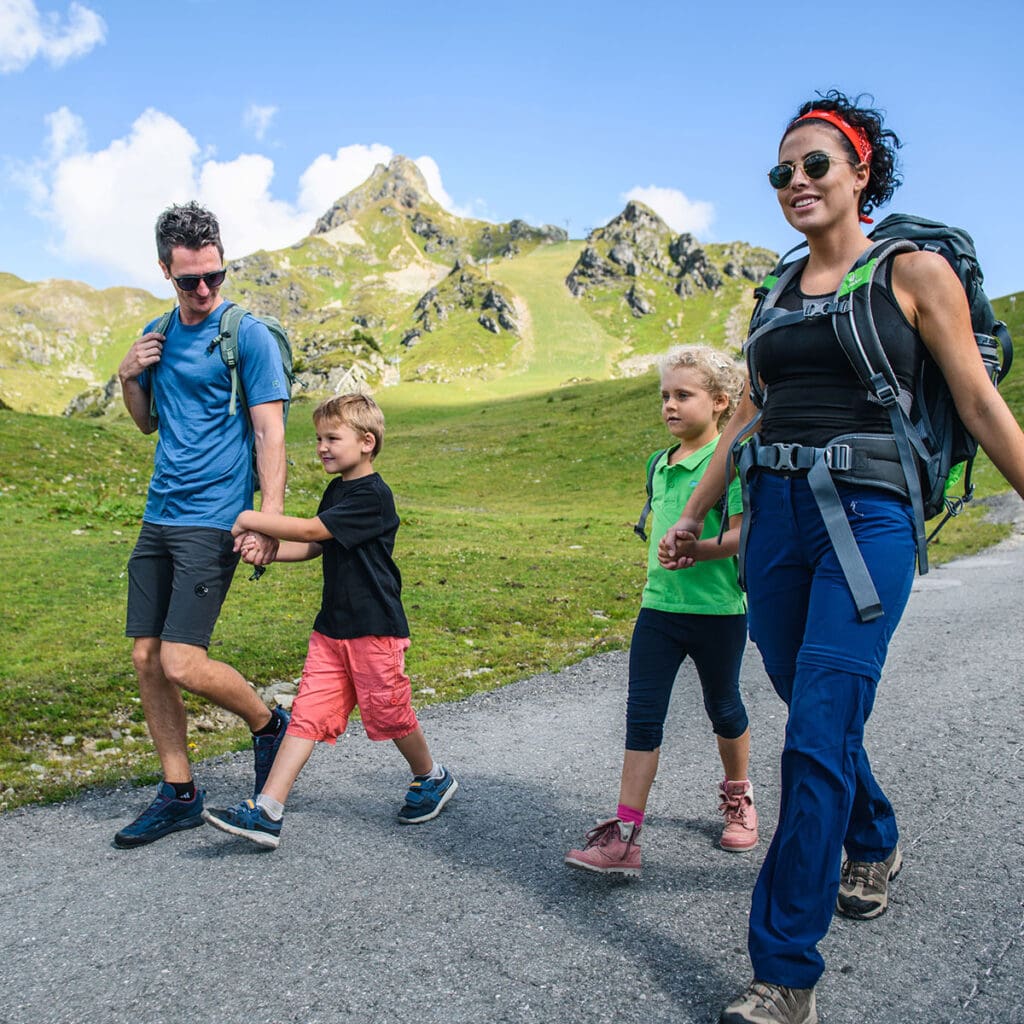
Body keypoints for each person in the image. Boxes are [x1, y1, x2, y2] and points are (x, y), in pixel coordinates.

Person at [659, 91, 1024, 1024]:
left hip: (868, 521)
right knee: (802, 692)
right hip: (776, 521)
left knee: (814, 733)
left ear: (862, 172)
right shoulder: (776, 292)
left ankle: (784, 974)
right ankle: (874, 833)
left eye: (816, 164)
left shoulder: (914, 270)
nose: (796, 183)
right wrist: (697, 517)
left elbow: (978, 406)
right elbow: (748, 417)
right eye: (782, 171)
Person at [202, 394, 457, 849]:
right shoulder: (338, 490)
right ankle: (267, 811)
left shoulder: (374, 496)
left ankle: (432, 777)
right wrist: (272, 552)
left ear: (366, 442)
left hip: (375, 629)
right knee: (306, 715)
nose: (321, 446)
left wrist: (247, 517)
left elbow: (314, 530)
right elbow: (319, 546)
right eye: (318, 438)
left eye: (331, 438)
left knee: (390, 714)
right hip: (332, 629)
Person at [113, 201, 291, 849]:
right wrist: (127, 376)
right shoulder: (157, 334)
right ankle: (180, 793)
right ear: (166, 270)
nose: (206, 289)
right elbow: (146, 423)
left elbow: (271, 431)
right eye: (190, 279)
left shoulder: (247, 336)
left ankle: (271, 725)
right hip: (159, 515)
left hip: (214, 520)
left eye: (215, 274)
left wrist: (267, 519)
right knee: (145, 658)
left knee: (182, 660)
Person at [564, 345, 757, 877]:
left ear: (721, 402)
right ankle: (625, 836)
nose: (670, 405)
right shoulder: (658, 462)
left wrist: (702, 548)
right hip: (658, 609)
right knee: (642, 717)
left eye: (683, 395)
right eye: (664, 395)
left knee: (724, 706)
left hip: (719, 610)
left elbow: (745, 535)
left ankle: (739, 796)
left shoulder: (733, 460)